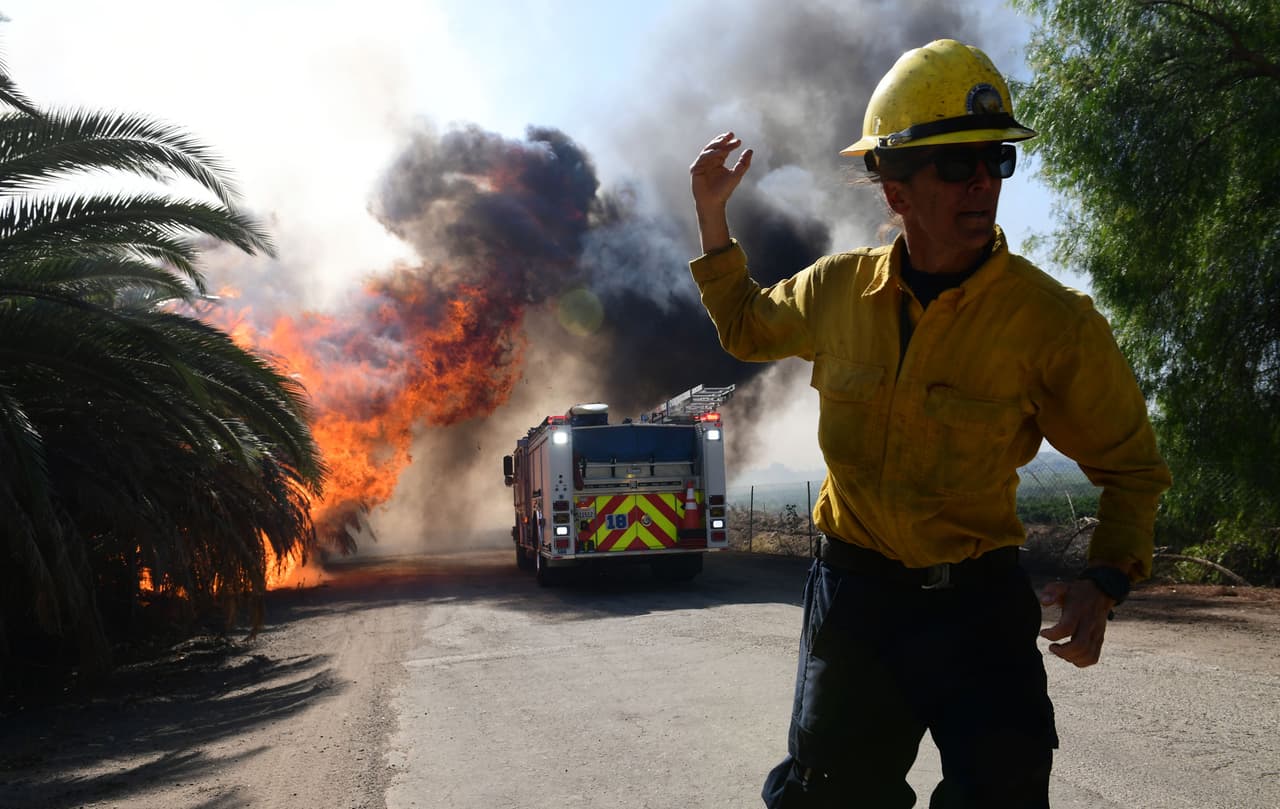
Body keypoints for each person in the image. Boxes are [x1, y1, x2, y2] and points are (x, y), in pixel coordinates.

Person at [687, 39, 1171, 808]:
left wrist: (1105, 580)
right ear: (895, 189)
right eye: (955, 163)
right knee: (831, 797)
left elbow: (1134, 469)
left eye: (995, 160)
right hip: (858, 605)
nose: (982, 180)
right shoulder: (837, 290)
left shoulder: (1053, 324)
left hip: (979, 611)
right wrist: (713, 216)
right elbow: (745, 326)